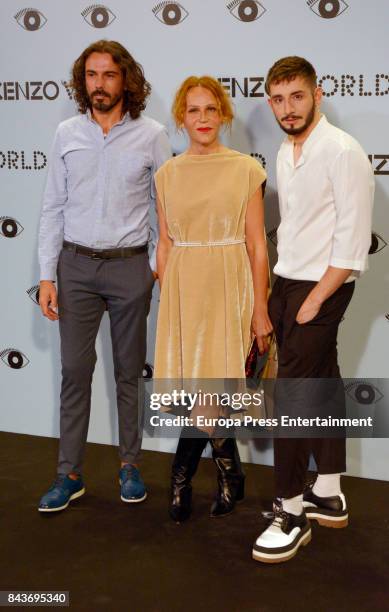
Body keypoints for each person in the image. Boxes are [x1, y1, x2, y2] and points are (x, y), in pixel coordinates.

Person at [37, 40, 171, 512]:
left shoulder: (152, 134)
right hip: (74, 267)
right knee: (75, 372)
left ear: (125, 79)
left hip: (130, 266)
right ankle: (68, 474)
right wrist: (47, 276)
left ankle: (129, 466)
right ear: (83, 82)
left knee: (128, 372)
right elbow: (53, 206)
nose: (99, 84)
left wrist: (154, 265)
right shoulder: (66, 133)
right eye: (91, 75)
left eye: (108, 75)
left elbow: (166, 208)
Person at [252, 56, 374, 563]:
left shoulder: (344, 152)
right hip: (287, 278)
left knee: (292, 397)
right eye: (278, 99)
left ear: (317, 94)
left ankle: (291, 509)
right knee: (321, 381)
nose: (288, 108)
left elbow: (350, 247)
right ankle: (327, 490)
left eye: (297, 96)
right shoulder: (285, 149)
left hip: (321, 286)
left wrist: (315, 301)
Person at [153, 76, 272, 522]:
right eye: (193, 110)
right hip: (184, 289)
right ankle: (229, 472)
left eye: (210, 109)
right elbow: (164, 244)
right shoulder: (167, 174)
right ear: (181, 118)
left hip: (229, 285)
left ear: (223, 114)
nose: (202, 118)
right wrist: (170, 301)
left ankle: (183, 480)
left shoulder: (245, 169)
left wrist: (260, 308)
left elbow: (258, 245)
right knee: (199, 394)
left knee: (213, 393)